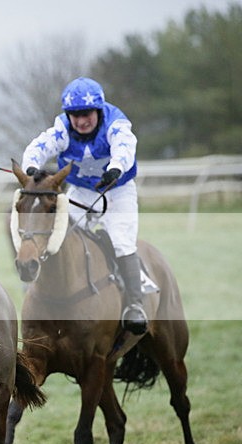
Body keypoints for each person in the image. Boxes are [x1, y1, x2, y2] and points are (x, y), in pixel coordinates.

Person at [22, 77, 148, 335]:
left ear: (98, 111)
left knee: (122, 241)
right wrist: (32, 167)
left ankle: (135, 305)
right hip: (81, 191)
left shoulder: (116, 122)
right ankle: (42, 288)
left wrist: (115, 169)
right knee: (61, 236)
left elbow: (125, 147)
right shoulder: (62, 127)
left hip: (117, 191)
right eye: (74, 115)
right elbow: (39, 146)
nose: (80, 121)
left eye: (86, 114)